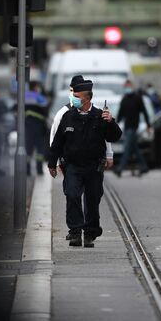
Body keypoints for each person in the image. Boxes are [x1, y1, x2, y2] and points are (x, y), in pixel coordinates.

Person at [48, 78, 122, 248]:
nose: (73, 97)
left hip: (94, 167)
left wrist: (111, 122)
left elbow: (114, 137)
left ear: (87, 98)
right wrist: (52, 163)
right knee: (72, 195)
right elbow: (57, 142)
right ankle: (75, 232)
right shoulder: (67, 116)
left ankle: (90, 231)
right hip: (73, 166)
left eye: (77, 96)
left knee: (93, 199)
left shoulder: (99, 117)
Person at [114, 80, 151, 177]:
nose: (127, 88)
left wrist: (148, 125)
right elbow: (120, 114)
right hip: (127, 127)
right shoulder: (125, 99)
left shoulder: (137, 98)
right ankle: (144, 166)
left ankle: (120, 168)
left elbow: (144, 112)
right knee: (134, 148)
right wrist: (115, 125)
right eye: (126, 87)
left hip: (134, 127)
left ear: (132, 86)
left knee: (127, 148)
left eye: (129, 86)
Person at [25, 81, 49, 176]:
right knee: (40, 149)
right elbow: (45, 106)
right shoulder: (39, 97)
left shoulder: (25, 96)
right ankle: (39, 170)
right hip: (38, 126)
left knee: (28, 149)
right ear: (35, 87)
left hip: (28, 126)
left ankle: (27, 170)